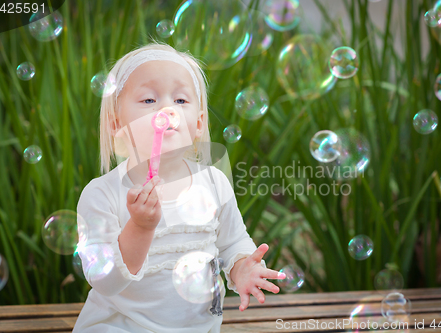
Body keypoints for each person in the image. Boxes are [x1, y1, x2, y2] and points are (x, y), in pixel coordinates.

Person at [72, 40, 286, 333]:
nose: (166, 109)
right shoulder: (103, 194)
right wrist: (140, 227)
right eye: (148, 100)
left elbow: (232, 243)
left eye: (181, 101)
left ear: (198, 124)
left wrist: (242, 268)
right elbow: (105, 281)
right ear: (115, 123)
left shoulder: (214, 183)